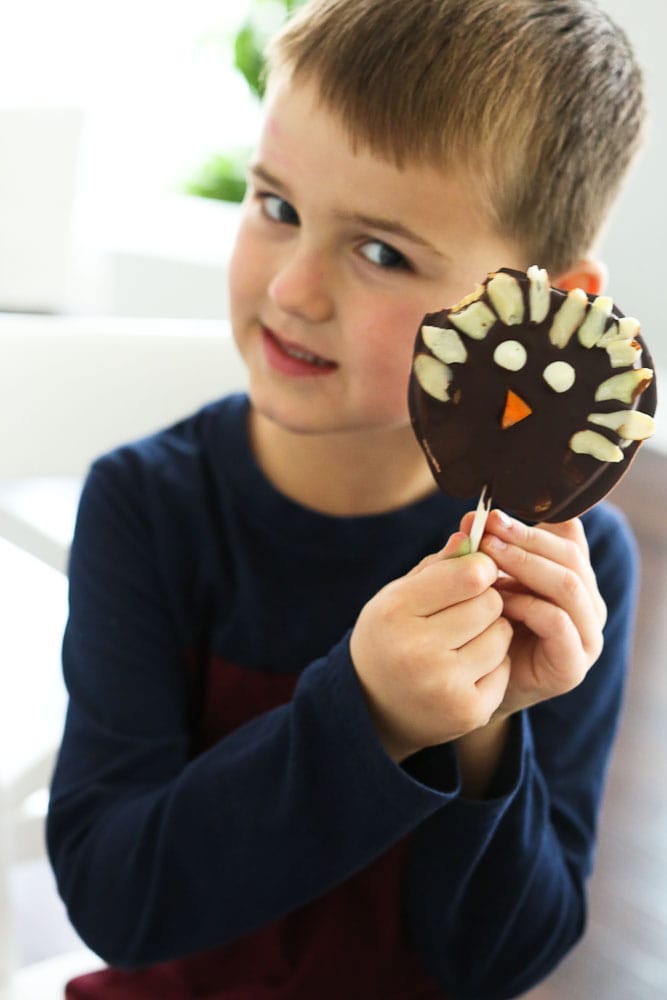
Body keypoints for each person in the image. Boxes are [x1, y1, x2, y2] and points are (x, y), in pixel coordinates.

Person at [47, 1, 647, 997]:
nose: (291, 290)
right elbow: (120, 904)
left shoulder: (569, 570)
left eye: (381, 252)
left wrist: (485, 727)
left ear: (544, 307)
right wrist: (366, 715)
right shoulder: (147, 508)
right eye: (276, 205)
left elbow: (497, 961)